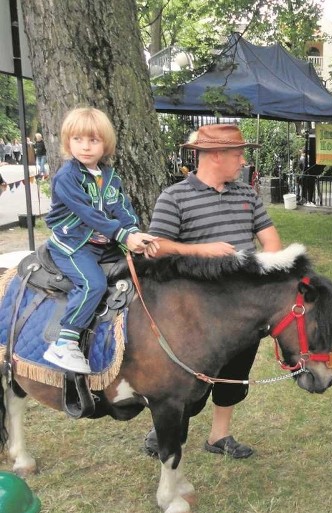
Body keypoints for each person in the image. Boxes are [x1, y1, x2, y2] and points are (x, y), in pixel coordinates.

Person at [143, 124, 282, 459]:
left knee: (235, 374)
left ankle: (219, 436)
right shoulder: (174, 197)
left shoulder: (247, 195)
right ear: (215, 155)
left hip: (241, 308)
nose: (243, 160)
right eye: (238, 154)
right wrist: (202, 251)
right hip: (195, 313)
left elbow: (271, 241)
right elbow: (156, 247)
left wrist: (262, 273)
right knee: (190, 379)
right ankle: (167, 424)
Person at [42, 107, 158, 374]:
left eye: (93, 140)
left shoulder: (109, 176)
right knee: (93, 284)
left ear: (105, 144)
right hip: (73, 245)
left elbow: (122, 208)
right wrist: (122, 236)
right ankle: (66, 340)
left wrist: (134, 232)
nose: (85, 147)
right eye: (78, 140)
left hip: (103, 244)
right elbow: (89, 213)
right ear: (67, 142)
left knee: (138, 272)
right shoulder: (66, 177)